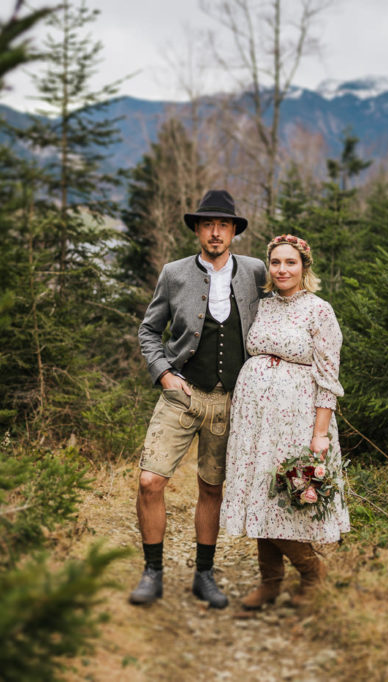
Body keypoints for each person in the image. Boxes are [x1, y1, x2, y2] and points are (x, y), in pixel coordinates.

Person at [130, 189, 268, 608]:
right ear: (197, 230)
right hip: (181, 395)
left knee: (211, 488)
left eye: (223, 225)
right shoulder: (174, 274)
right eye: (208, 224)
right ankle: (152, 572)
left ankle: (203, 575)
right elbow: (148, 330)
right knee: (150, 481)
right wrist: (164, 374)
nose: (215, 232)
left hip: (230, 402)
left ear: (234, 231)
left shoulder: (255, 271)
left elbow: (279, 315)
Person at [220, 233, 350, 610]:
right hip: (255, 422)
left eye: (290, 262)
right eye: (275, 262)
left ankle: (312, 573)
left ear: (304, 266)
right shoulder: (263, 307)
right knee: (260, 495)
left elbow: (328, 377)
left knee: (284, 496)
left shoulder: (319, 310)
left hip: (297, 419)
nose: (282, 269)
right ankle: (270, 583)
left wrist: (320, 433)